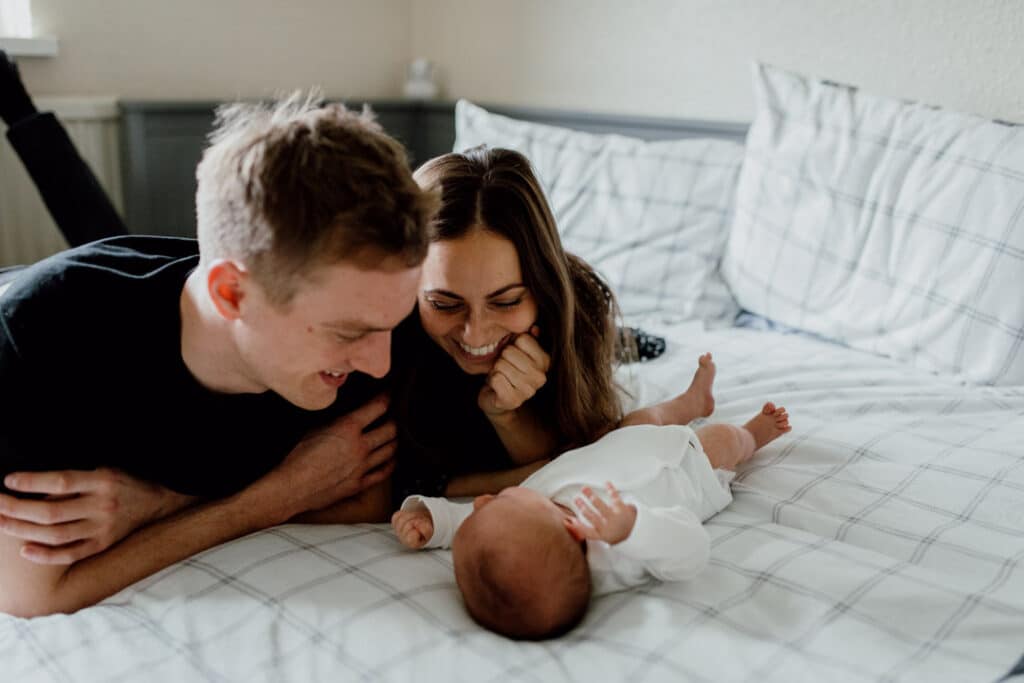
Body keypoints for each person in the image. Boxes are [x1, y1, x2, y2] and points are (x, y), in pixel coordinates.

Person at [0, 86, 438, 616]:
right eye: (347, 334)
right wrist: (280, 494)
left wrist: (158, 505)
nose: (380, 363)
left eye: (389, 325)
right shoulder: (44, 339)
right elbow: (32, 595)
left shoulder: (371, 309)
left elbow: (369, 495)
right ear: (233, 292)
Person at [388, 147, 714, 504]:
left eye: (507, 301)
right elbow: (399, 485)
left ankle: (620, 339)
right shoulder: (387, 328)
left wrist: (508, 416)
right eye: (445, 304)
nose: (475, 333)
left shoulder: (578, 306)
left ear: (542, 289)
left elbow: (577, 458)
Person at [391, 402, 793, 640]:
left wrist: (435, 522)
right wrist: (635, 528)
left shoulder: (522, 529)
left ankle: (690, 401)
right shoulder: (613, 556)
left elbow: (481, 531)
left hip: (623, 444)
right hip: (686, 467)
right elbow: (692, 551)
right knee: (724, 439)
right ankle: (754, 434)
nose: (480, 501)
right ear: (567, 529)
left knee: (642, 417)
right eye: (497, 502)